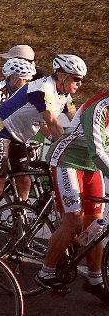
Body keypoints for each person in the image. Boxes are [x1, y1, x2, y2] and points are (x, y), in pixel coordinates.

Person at [0, 54, 85, 246]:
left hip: (18, 137)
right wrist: (69, 149)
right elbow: (52, 122)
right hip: (0, 132)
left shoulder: (64, 94)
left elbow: (76, 121)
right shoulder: (43, 89)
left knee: (24, 181)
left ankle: (19, 222)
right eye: (76, 79)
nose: (80, 84)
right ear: (62, 76)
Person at [36, 90, 109, 303]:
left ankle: (95, 280)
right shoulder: (99, 107)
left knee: (94, 223)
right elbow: (98, 151)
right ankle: (46, 272)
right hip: (68, 160)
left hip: (91, 166)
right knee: (74, 221)